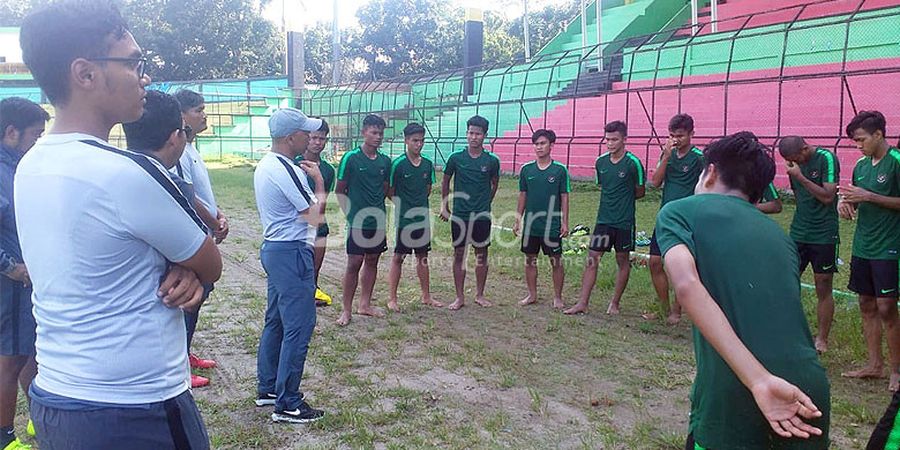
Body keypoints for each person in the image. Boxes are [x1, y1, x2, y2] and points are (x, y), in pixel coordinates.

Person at [17, 2, 222, 448]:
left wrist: (184, 268)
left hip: (58, 398)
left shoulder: (31, 163)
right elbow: (211, 260)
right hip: (133, 408)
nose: (144, 77)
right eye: (133, 63)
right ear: (85, 74)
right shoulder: (123, 171)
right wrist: (192, 269)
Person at [657, 131, 830, 449]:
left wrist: (759, 380)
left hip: (740, 388)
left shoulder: (680, 211)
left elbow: (686, 285)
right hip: (809, 389)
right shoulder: (780, 237)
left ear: (709, 173)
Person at [253, 107, 326, 423]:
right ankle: (289, 403)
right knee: (299, 324)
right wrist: (320, 182)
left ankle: (269, 389)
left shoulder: (269, 164)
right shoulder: (284, 169)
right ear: (290, 137)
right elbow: (314, 215)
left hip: (278, 249)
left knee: (278, 321)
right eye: (304, 132)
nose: (309, 137)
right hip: (291, 252)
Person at [837, 110, 900, 391]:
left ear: (879, 134)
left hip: (889, 246)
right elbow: (856, 198)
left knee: (887, 306)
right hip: (863, 245)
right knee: (866, 303)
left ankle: (896, 370)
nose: (858, 146)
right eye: (855, 141)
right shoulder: (861, 166)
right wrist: (845, 203)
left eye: (862, 140)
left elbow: (873, 197)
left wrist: (869, 196)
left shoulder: (896, 162)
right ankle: (874, 365)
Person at [0, 97, 48, 450]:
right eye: (35, 135)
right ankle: (5, 438)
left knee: (32, 352)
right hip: (11, 284)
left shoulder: (17, 165)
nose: (38, 142)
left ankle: (39, 421)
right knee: (10, 360)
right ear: (11, 132)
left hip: (28, 280)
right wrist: (10, 267)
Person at [173, 89, 230, 386]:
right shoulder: (178, 150)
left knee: (199, 297)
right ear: (182, 115)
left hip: (204, 229)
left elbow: (202, 193)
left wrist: (218, 214)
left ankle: (186, 353)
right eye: (199, 110)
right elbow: (186, 194)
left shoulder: (192, 148)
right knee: (189, 299)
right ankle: (178, 363)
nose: (204, 114)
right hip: (192, 236)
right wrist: (213, 221)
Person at [565, 120, 645, 315]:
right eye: (607, 139)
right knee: (592, 258)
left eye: (615, 139)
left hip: (624, 221)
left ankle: (615, 303)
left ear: (624, 139)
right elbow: (603, 186)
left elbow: (640, 191)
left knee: (622, 260)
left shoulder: (633, 163)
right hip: (604, 220)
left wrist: (624, 200)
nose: (610, 143)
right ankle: (582, 303)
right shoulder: (600, 162)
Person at [778, 136, 840, 354]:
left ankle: (822, 339)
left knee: (823, 284)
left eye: (795, 159)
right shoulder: (796, 165)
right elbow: (799, 197)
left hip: (824, 233)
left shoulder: (826, 158)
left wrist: (801, 177)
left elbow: (828, 197)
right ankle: (788, 331)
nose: (795, 163)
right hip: (799, 231)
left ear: (805, 149)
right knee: (787, 281)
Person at [645, 114, 703, 324]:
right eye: (672, 135)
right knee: (654, 262)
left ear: (691, 134)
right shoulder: (667, 153)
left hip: (686, 220)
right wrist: (666, 156)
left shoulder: (699, 157)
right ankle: (663, 307)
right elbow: (655, 182)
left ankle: (677, 312)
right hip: (665, 217)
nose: (676, 140)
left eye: (680, 136)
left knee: (679, 266)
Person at [335, 115, 391, 326]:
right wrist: (350, 213)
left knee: (372, 260)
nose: (377, 137)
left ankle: (365, 304)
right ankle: (346, 310)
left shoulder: (385, 161)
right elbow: (340, 190)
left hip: (377, 221)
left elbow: (385, 188)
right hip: (357, 222)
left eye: (380, 133)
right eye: (373, 132)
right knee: (354, 263)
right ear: (364, 132)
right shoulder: (351, 158)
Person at [439, 115, 500, 310]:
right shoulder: (456, 158)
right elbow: (446, 181)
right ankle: (459, 297)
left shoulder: (491, 161)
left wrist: (484, 203)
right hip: (460, 215)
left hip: (481, 215)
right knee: (459, 254)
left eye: (478, 134)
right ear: (467, 134)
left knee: (481, 253)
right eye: (471, 133)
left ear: (485, 135)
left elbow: (494, 184)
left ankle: (480, 295)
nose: (474, 137)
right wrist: (444, 205)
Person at [386, 123, 442, 311]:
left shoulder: (427, 164)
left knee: (423, 257)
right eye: (414, 140)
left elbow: (427, 190)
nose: (418, 144)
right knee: (398, 257)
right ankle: (392, 298)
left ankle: (426, 296)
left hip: (422, 219)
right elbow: (390, 191)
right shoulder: (398, 164)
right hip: (404, 220)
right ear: (406, 141)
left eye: (421, 140)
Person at [513, 129, 570, 309]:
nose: (539, 147)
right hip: (531, 224)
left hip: (551, 225)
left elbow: (564, 197)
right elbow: (523, 195)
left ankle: (558, 297)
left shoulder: (560, 171)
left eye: (543, 143)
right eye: (536, 144)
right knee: (530, 259)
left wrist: (565, 222)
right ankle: (532, 294)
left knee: (556, 260)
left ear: (551, 145)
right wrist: (517, 219)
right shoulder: (526, 170)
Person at [297, 119, 336, 306]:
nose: (318, 142)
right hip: (297, 226)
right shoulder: (294, 164)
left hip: (319, 225)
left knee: (315, 267)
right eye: (314, 138)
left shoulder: (328, 170)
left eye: (322, 139)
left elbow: (324, 198)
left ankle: (313, 292)